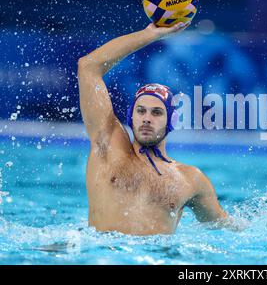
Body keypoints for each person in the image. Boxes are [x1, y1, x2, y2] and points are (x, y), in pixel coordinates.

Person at [77, 22, 230, 235]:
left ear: (172, 120)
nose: (147, 119)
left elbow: (226, 228)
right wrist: (151, 34)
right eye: (141, 111)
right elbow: (88, 66)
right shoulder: (108, 146)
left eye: (157, 113)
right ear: (132, 116)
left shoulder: (191, 180)